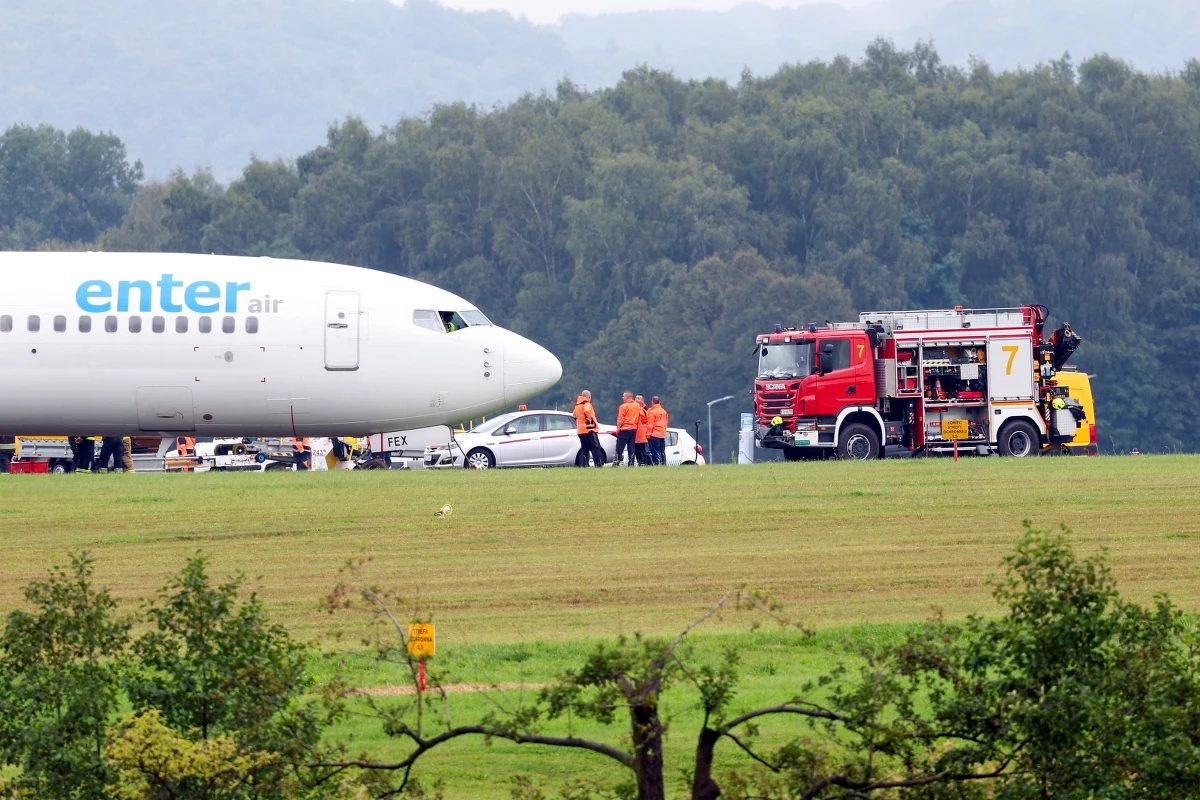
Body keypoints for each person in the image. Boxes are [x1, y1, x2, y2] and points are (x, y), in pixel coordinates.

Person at [573, 390, 604, 467]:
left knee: (585, 449)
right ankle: (598, 464)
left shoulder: (577, 405)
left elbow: (574, 415)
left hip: (581, 431)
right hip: (589, 430)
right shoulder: (587, 404)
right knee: (595, 448)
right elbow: (587, 411)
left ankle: (585, 465)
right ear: (589, 397)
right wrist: (590, 419)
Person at [615, 391, 641, 466]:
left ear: (628, 397)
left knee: (619, 447)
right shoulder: (637, 406)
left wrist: (618, 429)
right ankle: (631, 462)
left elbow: (620, 419)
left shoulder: (623, 406)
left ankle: (618, 462)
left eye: (624, 396)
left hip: (624, 429)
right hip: (633, 429)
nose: (622, 397)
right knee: (631, 447)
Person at [647, 396, 669, 466]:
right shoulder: (664, 412)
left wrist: (648, 435)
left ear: (652, 402)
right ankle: (663, 464)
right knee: (662, 451)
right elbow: (666, 423)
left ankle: (657, 464)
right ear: (659, 402)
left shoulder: (652, 412)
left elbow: (650, 425)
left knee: (655, 451)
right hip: (662, 435)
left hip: (654, 435)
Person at [634, 394, 650, 466]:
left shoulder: (644, 410)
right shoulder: (644, 411)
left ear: (643, 401)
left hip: (640, 435)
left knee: (640, 451)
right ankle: (643, 463)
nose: (637, 399)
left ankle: (642, 463)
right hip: (640, 435)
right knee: (640, 451)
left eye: (639, 398)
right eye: (636, 398)